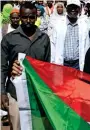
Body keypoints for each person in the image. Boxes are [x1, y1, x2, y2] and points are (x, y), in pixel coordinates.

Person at [1, 2, 51, 130]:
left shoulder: (44, 38)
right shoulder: (9, 39)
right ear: (20, 16)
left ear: (36, 17)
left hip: (37, 96)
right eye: (24, 17)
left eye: (31, 17)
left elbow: (47, 68)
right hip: (15, 95)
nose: (28, 20)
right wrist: (2, 92)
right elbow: (2, 67)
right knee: (17, 126)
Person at [50, 0, 90, 71]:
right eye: (71, 7)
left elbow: (86, 46)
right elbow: (53, 45)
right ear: (66, 8)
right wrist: (53, 63)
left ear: (79, 9)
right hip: (63, 63)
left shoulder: (83, 25)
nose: (73, 9)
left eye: (75, 7)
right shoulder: (58, 24)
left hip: (77, 64)